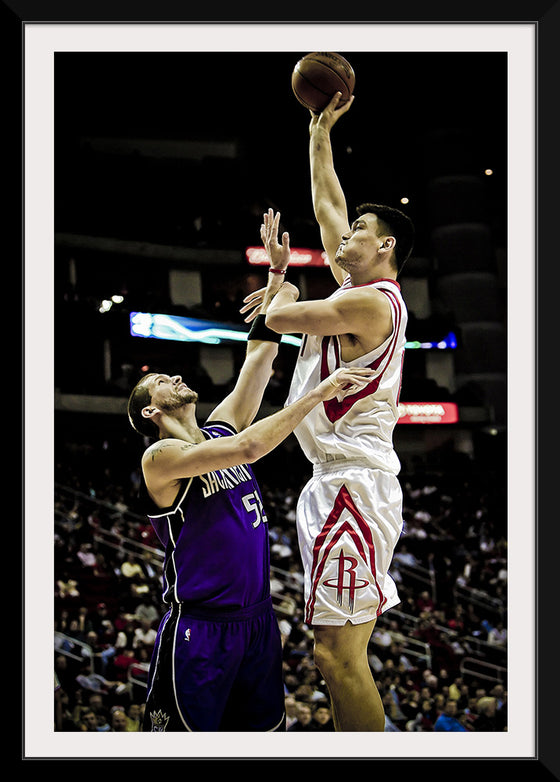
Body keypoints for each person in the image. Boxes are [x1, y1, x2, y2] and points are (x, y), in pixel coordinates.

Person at [127, 282, 375, 732]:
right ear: (150, 412)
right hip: (200, 631)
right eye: (162, 382)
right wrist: (318, 393)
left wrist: (283, 285)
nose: (176, 378)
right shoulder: (161, 459)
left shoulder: (220, 430)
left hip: (257, 622)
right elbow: (250, 449)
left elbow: (259, 356)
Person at [240, 91, 414, 732]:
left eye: (358, 234)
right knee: (329, 656)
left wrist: (279, 277)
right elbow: (326, 203)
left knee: (339, 657)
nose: (344, 236)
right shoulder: (358, 288)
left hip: (353, 481)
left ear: (385, 245)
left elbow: (278, 315)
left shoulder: (372, 303)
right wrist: (319, 133)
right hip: (335, 478)